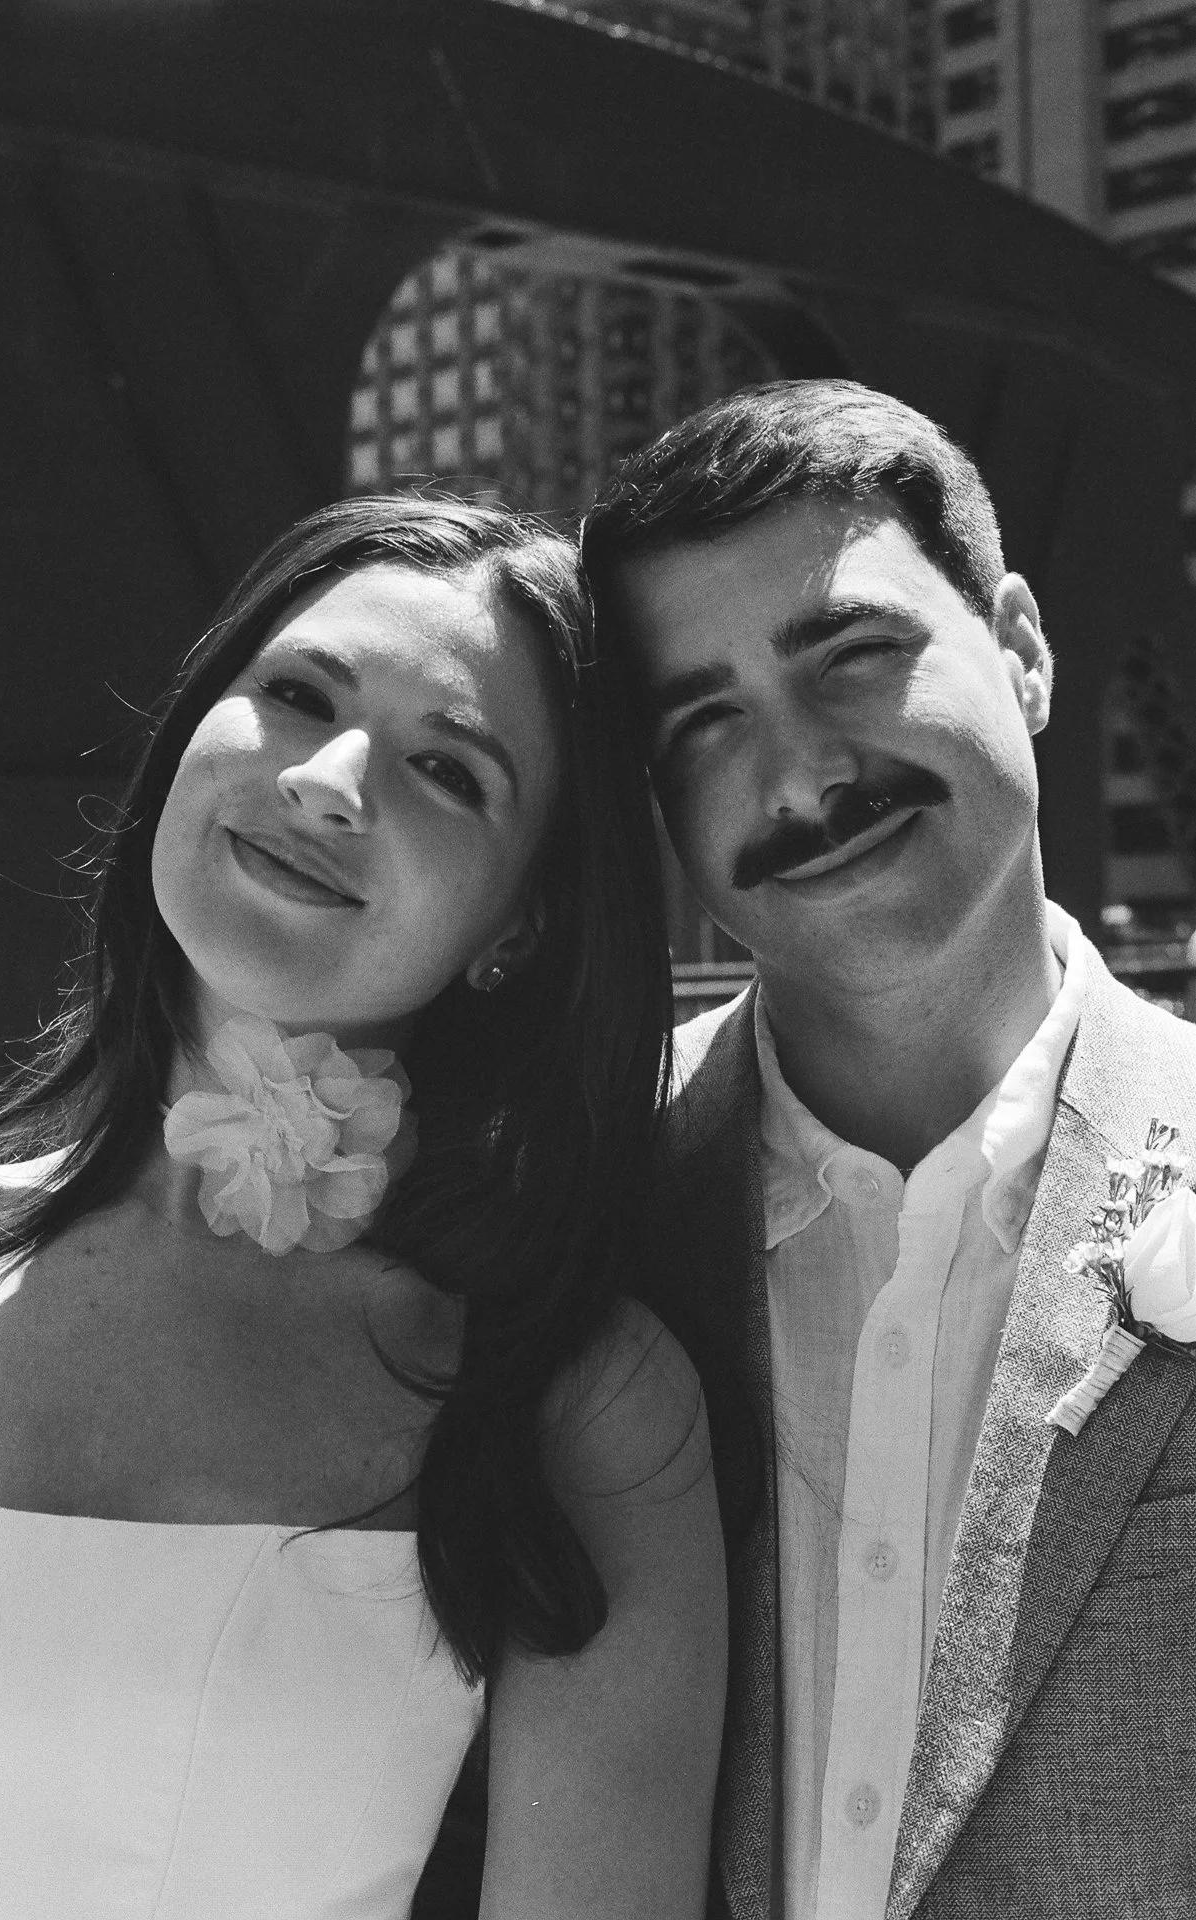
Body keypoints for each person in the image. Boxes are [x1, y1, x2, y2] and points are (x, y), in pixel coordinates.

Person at [0, 498, 727, 1920]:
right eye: (296, 695)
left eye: (449, 770)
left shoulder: (579, 1404)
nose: (334, 781)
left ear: (521, 927)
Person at [580, 380, 1196, 1920]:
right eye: (704, 720)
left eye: (852, 656)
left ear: (1026, 647)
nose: (798, 778)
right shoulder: (570, 1220)